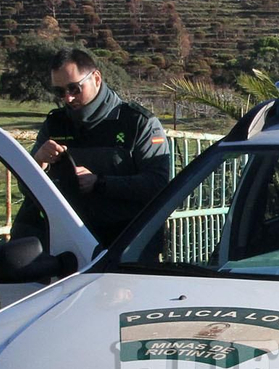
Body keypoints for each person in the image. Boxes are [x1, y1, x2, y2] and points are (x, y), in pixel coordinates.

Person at [25, 48, 173, 247]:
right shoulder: (54, 124)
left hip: (128, 243)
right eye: (59, 91)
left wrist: (100, 182)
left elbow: (158, 183)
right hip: (71, 243)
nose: (67, 98)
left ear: (96, 78)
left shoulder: (139, 123)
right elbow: (27, 187)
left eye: (74, 88)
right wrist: (38, 162)